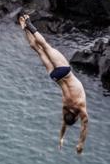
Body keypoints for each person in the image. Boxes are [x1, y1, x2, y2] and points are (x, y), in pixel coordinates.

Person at [18, 13, 89, 154]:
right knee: (38, 50)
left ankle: (29, 24)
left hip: (65, 71)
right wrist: (61, 139)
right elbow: (64, 124)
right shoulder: (65, 108)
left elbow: (84, 127)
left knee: (45, 46)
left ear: (75, 116)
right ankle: (25, 29)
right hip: (55, 76)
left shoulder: (80, 107)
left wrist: (81, 143)